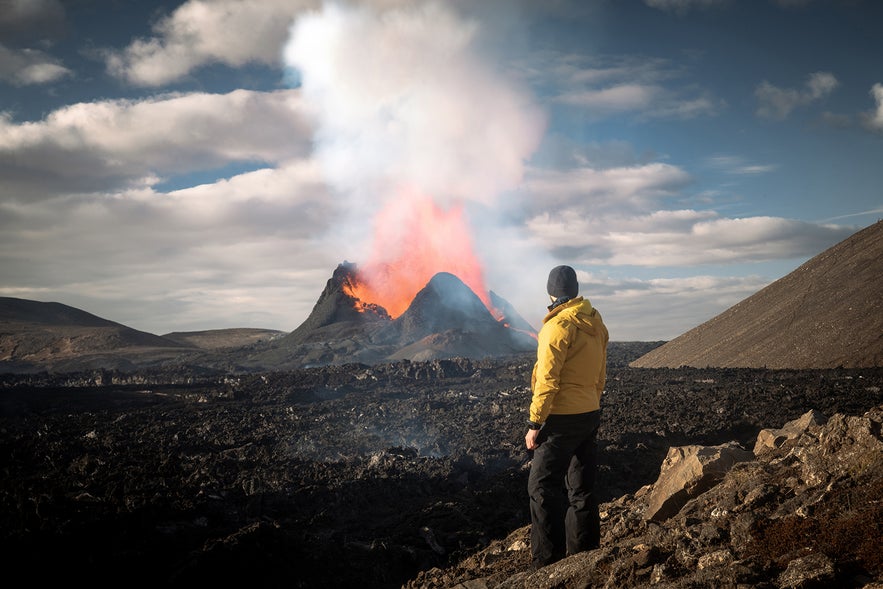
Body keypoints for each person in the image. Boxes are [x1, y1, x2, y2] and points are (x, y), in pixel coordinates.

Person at [524, 264, 609, 569]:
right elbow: (600, 374)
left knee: (542, 487)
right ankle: (585, 556)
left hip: (560, 419)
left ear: (551, 293)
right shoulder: (596, 323)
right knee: (582, 488)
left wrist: (535, 424)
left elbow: (548, 380)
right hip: (589, 413)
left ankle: (547, 564)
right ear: (574, 291)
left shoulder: (557, 326)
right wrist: (591, 403)